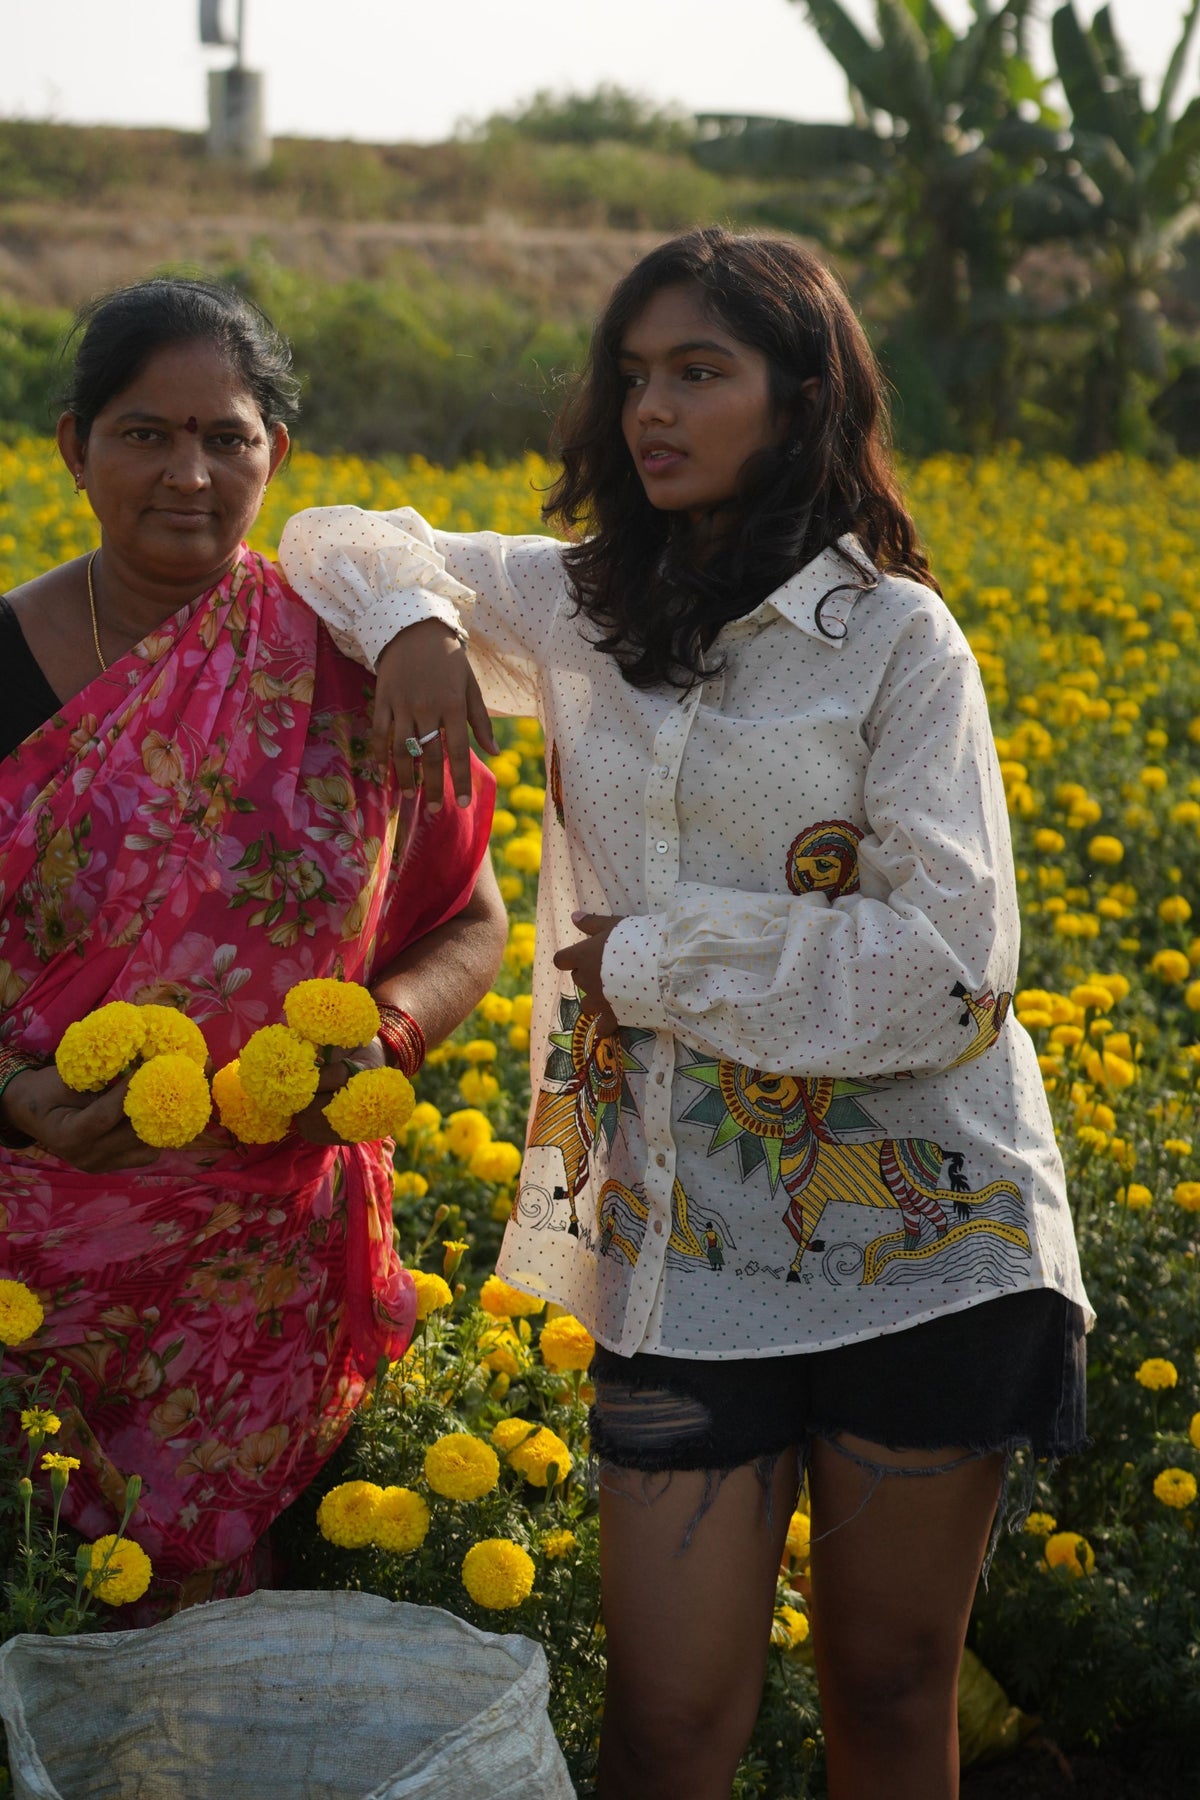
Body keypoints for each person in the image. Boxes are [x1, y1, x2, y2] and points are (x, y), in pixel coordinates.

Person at [278, 228, 1090, 1800]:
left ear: (799, 400)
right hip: (675, 1266)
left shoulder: (897, 644)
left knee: (891, 1685)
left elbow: (944, 970)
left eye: (700, 373)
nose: (653, 408)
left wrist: (645, 965)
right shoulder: (574, 606)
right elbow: (330, 532)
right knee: (664, 1727)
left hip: (926, 1246)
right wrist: (421, 626)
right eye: (636, 375)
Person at [0, 278, 506, 1612]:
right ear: (72, 446)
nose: (190, 474)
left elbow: (471, 919)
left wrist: (386, 1041)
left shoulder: (354, 657)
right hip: (30, 1245)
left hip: (263, 1260)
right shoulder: (4, 660)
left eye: (228, 438)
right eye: (145, 434)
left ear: (277, 455)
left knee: (206, 1639)